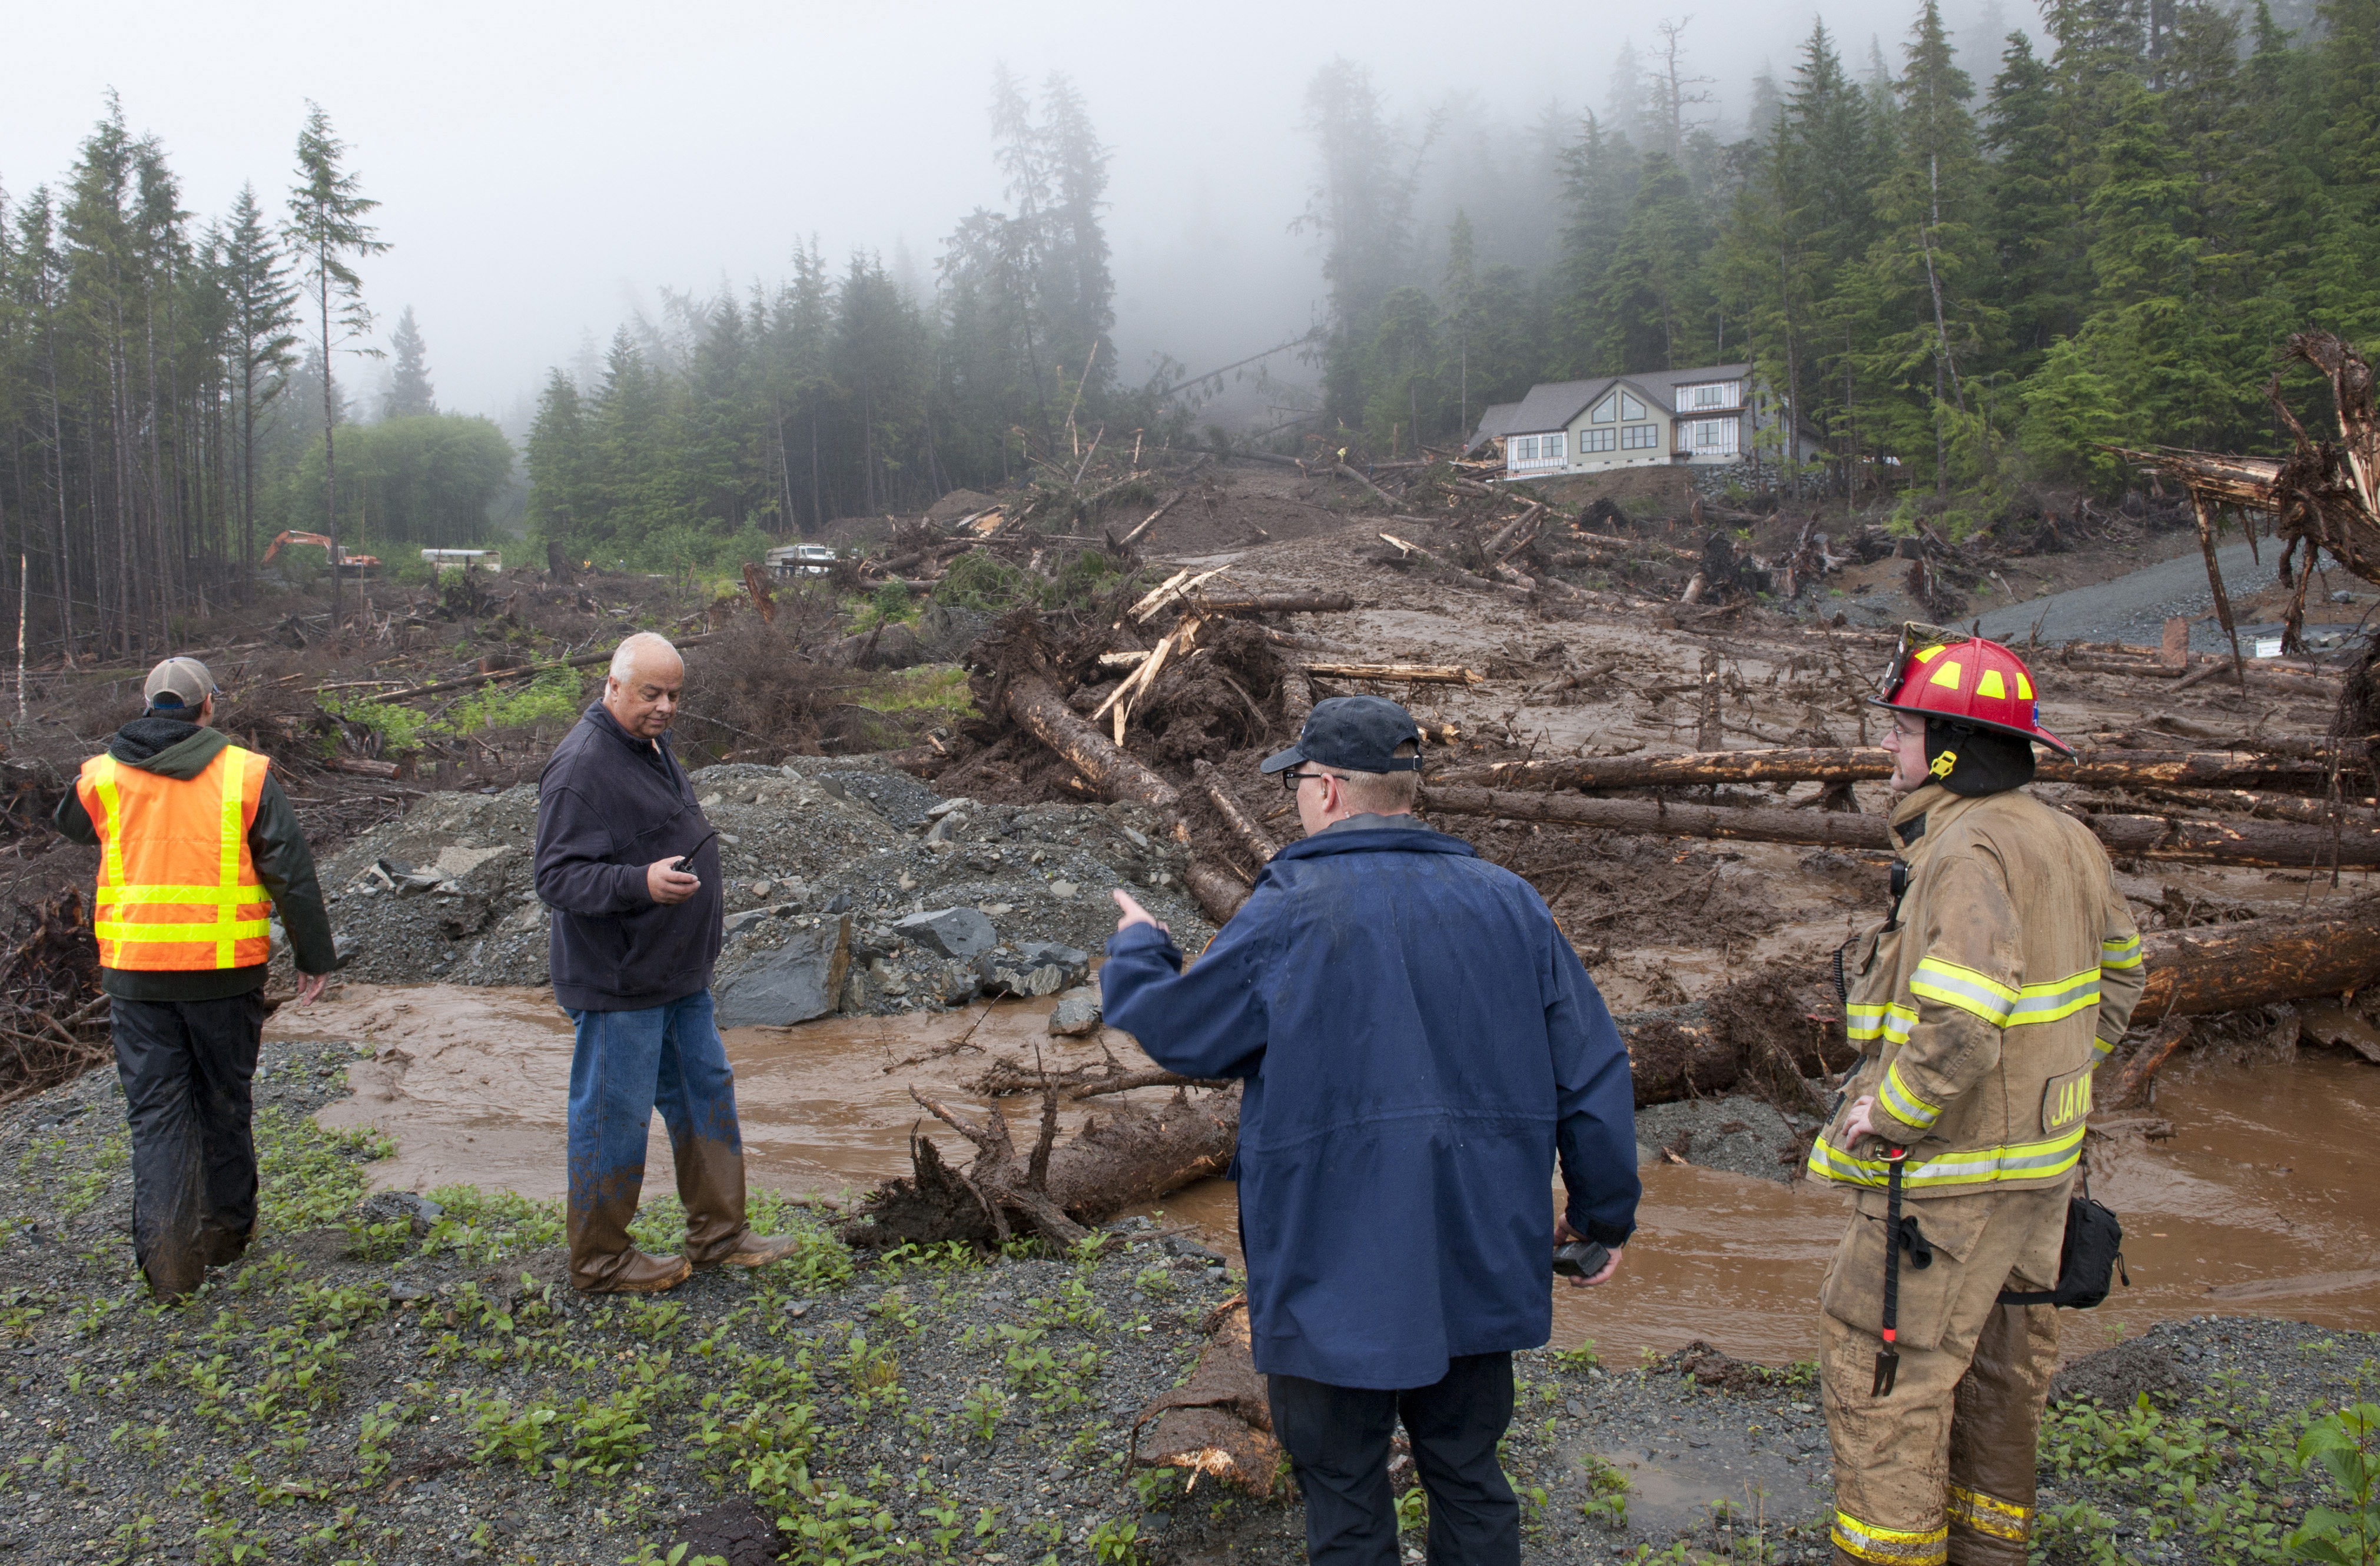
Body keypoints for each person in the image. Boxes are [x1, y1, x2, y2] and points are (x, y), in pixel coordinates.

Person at [1100, 694, 1639, 1566]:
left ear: (1325, 790)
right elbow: (1592, 1069)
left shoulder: (1292, 906)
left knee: (1345, 1493)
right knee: (1467, 1472)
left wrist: (1140, 944)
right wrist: (1602, 1215)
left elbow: (1177, 1031)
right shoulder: (1509, 901)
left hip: (1328, 1272)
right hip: (1475, 1254)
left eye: (1298, 784)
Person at [1807, 627, 2146, 1566]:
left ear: (1949, 750)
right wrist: (2052, 1083)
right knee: (2001, 1375)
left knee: (1884, 1376)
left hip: (1946, 1181)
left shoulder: (1964, 852)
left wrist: (1896, 1111)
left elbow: (1958, 1020)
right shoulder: (2065, 837)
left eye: (1903, 730)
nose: (1887, 747)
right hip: (2040, 1174)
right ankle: (1986, 1551)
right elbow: (2123, 976)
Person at [52, 656, 338, 1299]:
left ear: (148, 704)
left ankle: (169, 1267)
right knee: (224, 1103)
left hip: (136, 977)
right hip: (223, 977)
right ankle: (228, 1234)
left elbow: (69, 823)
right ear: (209, 704)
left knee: (156, 1114)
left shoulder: (103, 774)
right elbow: (289, 870)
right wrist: (314, 957)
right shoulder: (244, 772)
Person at [533, 631, 801, 1294]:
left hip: (677, 977)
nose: (665, 707)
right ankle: (599, 1262)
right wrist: (638, 884)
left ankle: (719, 1235)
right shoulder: (581, 768)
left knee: (706, 1095)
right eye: (651, 693)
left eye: (674, 695)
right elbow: (557, 879)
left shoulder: (647, 744)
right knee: (611, 1118)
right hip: (618, 981)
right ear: (613, 686)